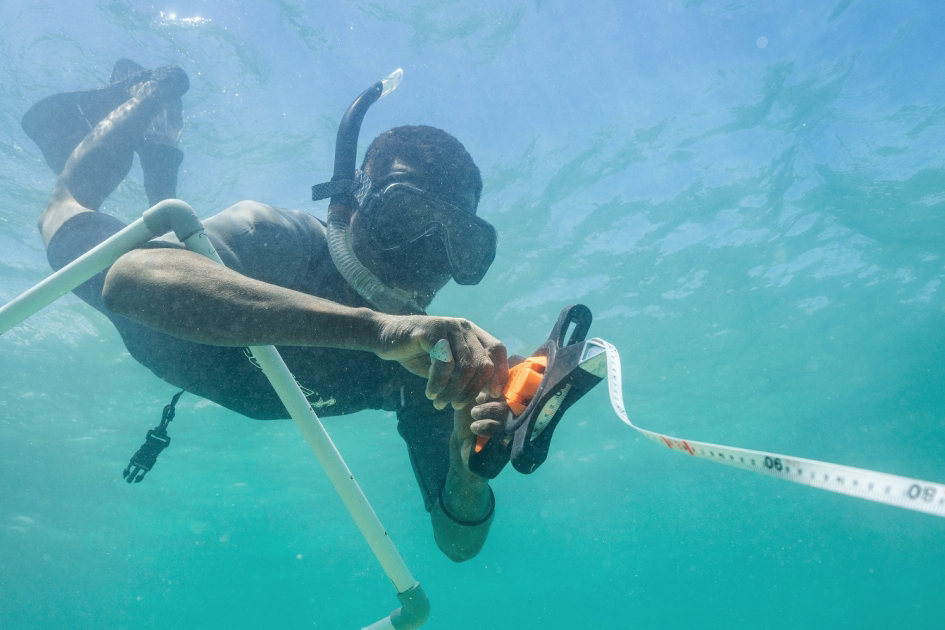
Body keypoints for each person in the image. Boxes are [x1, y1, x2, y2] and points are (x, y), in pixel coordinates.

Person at [23, 60, 511, 562]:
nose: (423, 262)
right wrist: (378, 330)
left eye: (458, 244)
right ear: (353, 201)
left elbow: (457, 545)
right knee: (63, 208)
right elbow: (131, 281)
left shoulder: (426, 369)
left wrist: (466, 476)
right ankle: (152, 94)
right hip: (153, 327)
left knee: (180, 246)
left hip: (198, 342)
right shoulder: (283, 239)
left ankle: (161, 147)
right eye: (404, 218)